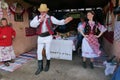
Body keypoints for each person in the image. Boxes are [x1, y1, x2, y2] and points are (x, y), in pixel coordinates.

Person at [30, 3, 73, 75]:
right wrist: (40, 20)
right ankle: (40, 67)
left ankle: (47, 64)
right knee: (39, 52)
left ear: (46, 11)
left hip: (48, 37)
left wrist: (65, 21)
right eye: (41, 11)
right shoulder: (37, 18)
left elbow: (59, 22)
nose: (43, 12)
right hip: (40, 37)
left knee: (47, 52)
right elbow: (32, 25)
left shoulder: (50, 18)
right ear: (40, 11)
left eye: (44, 11)